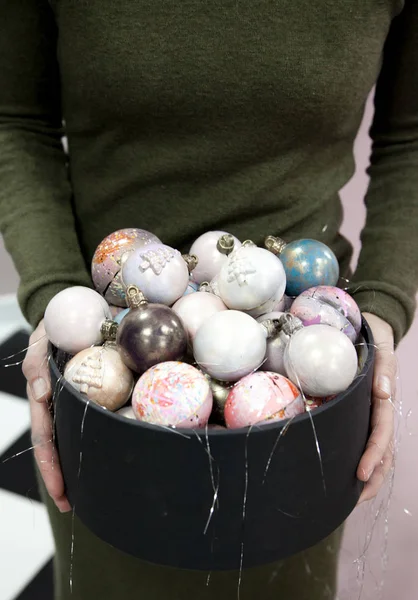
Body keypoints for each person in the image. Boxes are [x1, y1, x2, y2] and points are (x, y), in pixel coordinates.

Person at [0, 0, 416, 598]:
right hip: (100, 347)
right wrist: (52, 296)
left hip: (308, 359)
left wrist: (380, 303)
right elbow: (19, 120)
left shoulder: (317, 357)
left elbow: (408, 136)